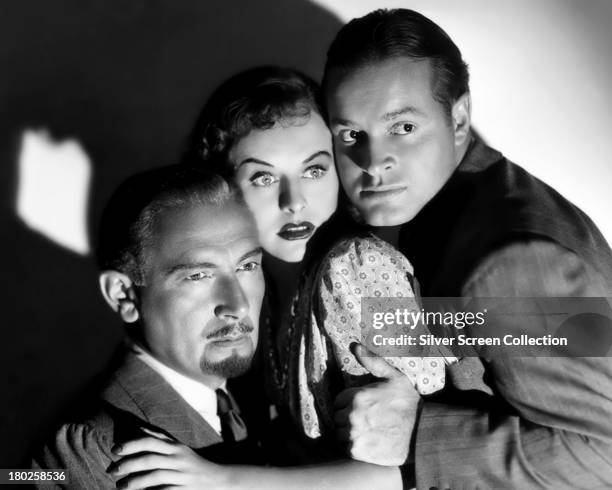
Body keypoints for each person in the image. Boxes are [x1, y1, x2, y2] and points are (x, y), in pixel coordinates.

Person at [322, 8, 612, 488]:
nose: (373, 164)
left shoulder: (513, 262)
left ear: (458, 119)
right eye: (351, 135)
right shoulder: (446, 212)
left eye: (403, 128)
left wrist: (415, 435)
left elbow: (602, 456)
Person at [31, 165, 267, 487]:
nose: (238, 305)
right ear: (124, 295)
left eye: (248, 266)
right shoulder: (88, 445)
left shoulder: (259, 395)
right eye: (198, 276)